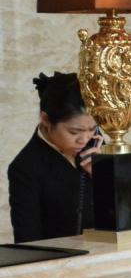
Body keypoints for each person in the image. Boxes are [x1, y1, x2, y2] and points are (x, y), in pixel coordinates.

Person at [8, 71, 100, 242]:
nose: (84, 139)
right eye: (74, 132)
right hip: (62, 256)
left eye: (92, 129)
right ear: (46, 120)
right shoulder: (25, 168)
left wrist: (103, 176)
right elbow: (28, 241)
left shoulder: (96, 148)